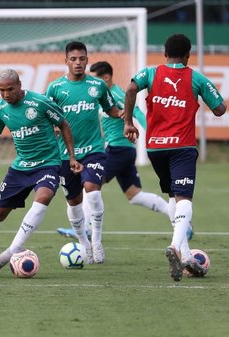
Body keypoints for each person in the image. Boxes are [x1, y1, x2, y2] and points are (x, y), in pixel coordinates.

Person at [0, 69, 82, 275]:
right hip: (20, 168)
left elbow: (64, 125)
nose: (6, 94)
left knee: (44, 196)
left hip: (47, 163)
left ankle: (12, 250)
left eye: (10, 89)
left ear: (20, 85)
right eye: (1, 90)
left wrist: (72, 157)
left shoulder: (40, 103)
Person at [124, 33, 226, 281]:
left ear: (164, 52)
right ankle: (176, 248)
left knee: (172, 194)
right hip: (182, 147)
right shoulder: (195, 77)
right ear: (189, 55)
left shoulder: (151, 72)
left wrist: (128, 122)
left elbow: (130, 88)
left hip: (156, 148)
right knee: (184, 197)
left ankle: (187, 255)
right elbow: (220, 109)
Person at [56, 61, 186, 239]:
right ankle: (181, 222)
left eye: (95, 78)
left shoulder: (116, 95)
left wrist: (153, 135)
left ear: (106, 78)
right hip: (124, 151)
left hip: (117, 150)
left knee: (90, 184)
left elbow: (138, 113)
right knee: (135, 195)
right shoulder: (97, 96)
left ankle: (85, 227)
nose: (90, 82)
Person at [45, 41, 122, 264]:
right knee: (74, 201)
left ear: (87, 60)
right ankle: (84, 243)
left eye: (82, 59)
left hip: (94, 150)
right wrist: (53, 126)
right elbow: (46, 117)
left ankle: (97, 240)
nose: (78, 63)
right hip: (65, 154)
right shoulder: (55, 88)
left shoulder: (98, 86)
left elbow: (112, 110)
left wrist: (126, 115)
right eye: (73, 59)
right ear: (66, 61)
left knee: (93, 191)